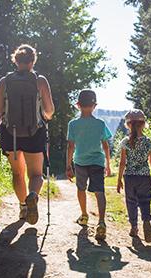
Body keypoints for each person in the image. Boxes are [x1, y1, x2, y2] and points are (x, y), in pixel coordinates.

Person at [0, 44, 55, 224]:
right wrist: (45, 116)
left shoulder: (4, 82)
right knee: (36, 175)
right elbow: (49, 111)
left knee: (18, 173)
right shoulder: (39, 80)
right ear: (33, 61)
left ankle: (23, 207)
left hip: (11, 134)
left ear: (15, 60)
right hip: (34, 133)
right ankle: (32, 195)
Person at [66, 90, 112, 241]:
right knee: (99, 192)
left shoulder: (73, 124)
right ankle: (101, 222)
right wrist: (108, 164)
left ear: (78, 105)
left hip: (80, 162)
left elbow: (70, 146)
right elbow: (105, 146)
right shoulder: (100, 124)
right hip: (97, 162)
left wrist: (68, 165)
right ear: (94, 105)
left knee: (81, 189)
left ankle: (84, 215)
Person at [116, 109, 151, 242]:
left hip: (129, 177)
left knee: (131, 202)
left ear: (128, 124)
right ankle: (146, 220)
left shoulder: (125, 141)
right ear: (143, 124)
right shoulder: (148, 141)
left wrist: (118, 180)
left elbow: (122, 163)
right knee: (145, 201)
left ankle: (134, 227)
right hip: (145, 177)